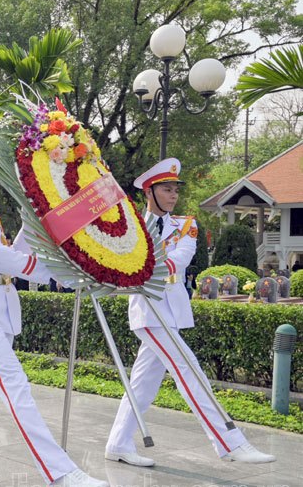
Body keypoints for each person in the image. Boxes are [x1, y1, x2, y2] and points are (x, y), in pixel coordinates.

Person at [0, 133, 105, 487]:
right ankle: (59, 472)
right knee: (16, 386)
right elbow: (3, 259)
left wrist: (39, 215)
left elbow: (11, 248)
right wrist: (45, 269)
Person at [105, 158, 275, 467]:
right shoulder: (131, 227)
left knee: (143, 385)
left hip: (172, 308)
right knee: (190, 370)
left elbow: (181, 258)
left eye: (175, 191)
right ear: (149, 192)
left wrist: (141, 267)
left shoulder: (185, 225)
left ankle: (117, 443)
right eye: (166, 190)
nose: (173, 196)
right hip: (149, 311)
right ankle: (229, 442)